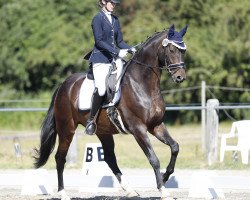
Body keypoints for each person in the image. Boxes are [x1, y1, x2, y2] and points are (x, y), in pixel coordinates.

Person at [85, 0, 134, 135]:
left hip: (112, 59)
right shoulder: (97, 19)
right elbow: (99, 42)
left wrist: (132, 49)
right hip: (100, 59)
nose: (114, 5)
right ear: (103, 2)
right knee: (101, 90)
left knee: (126, 80)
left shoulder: (115, 19)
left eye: (115, 3)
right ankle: (91, 120)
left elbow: (120, 42)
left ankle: (117, 111)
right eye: (111, 2)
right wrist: (117, 52)